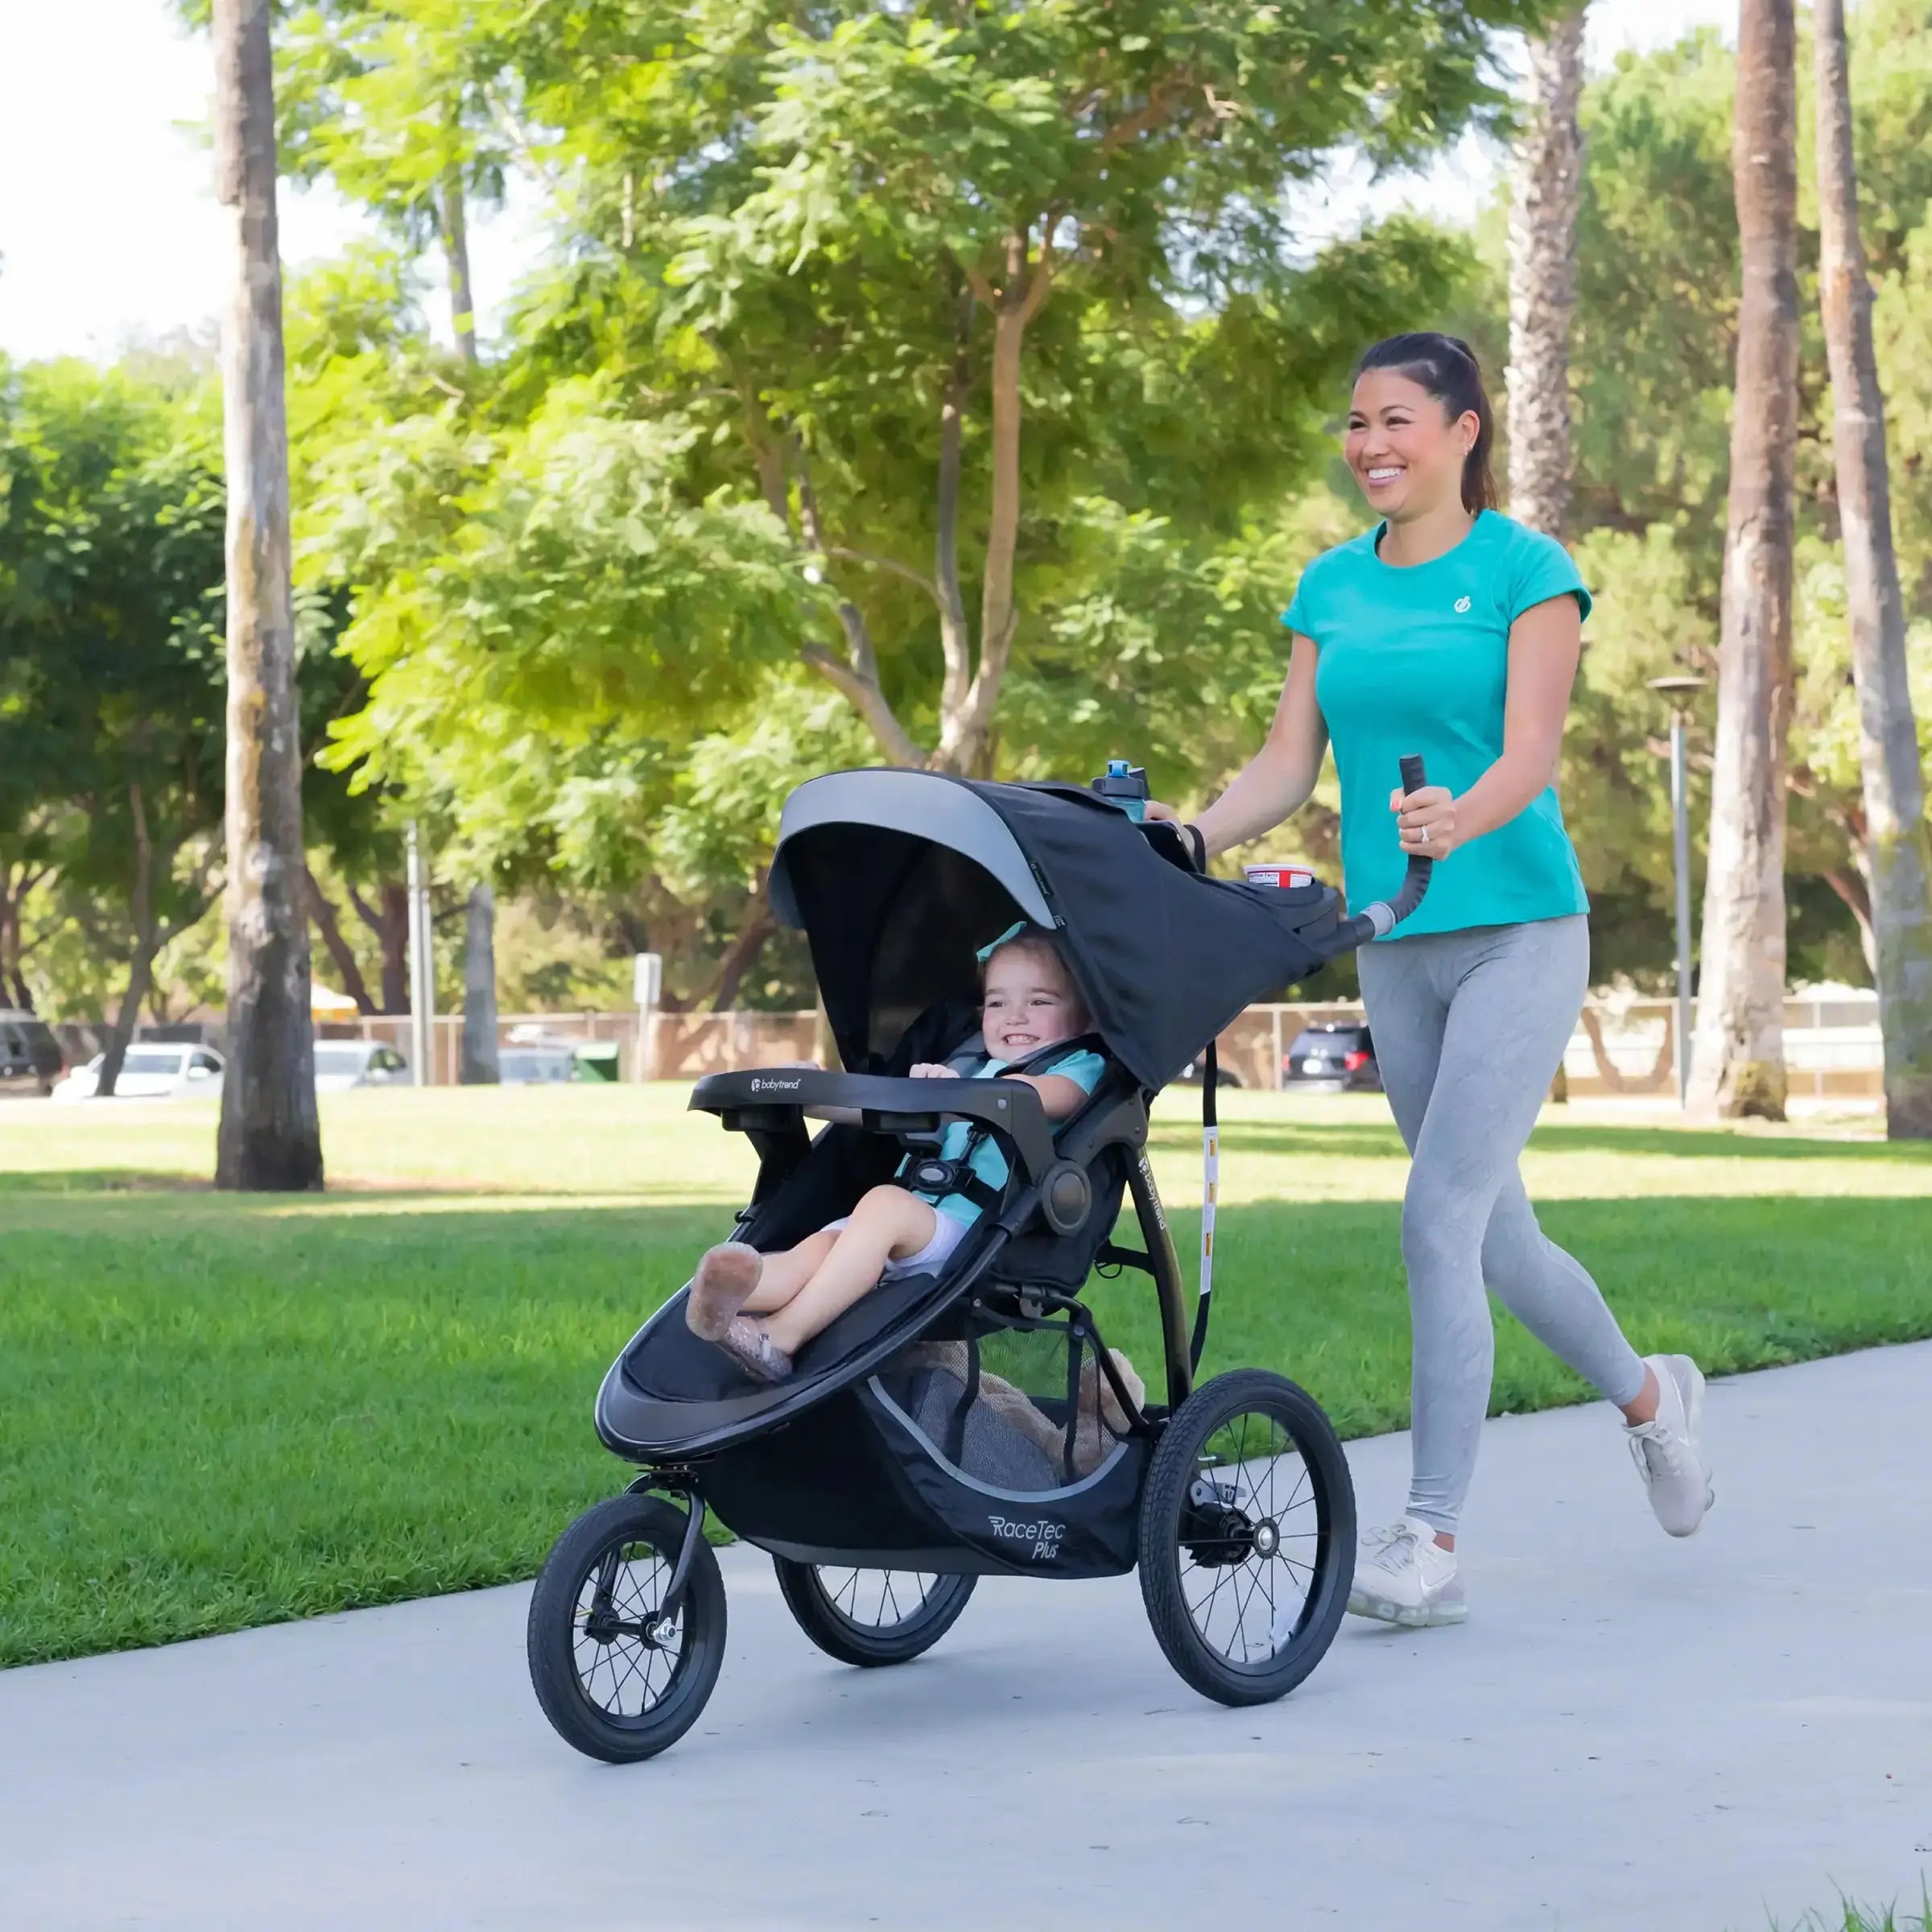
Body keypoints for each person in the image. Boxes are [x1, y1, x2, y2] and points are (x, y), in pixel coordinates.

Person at [1147, 331, 1713, 1629]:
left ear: (1464, 431)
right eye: (1357, 423)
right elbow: (1289, 763)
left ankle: (1430, 1537)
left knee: (1437, 1217)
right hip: (1394, 940)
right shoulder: (1331, 588)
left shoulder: (1526, 571)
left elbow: (1531, 753)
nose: (1370, 444)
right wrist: (1191, 837)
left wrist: (1460, 817)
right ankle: (1651, 1401)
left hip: (1520, 929)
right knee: (1497, 1237)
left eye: (1396, 418)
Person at [684, 923, 1106, 1384]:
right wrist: (811, 1094)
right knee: (817, 1249)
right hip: (901, 1229)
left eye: (1039, 1002)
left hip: (972, 1237)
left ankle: (781, 1338)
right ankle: (730, 1292)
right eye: (997, 1003)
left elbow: (1038, 1096)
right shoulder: (970, 1067)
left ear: (1085, 1017)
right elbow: (880, 1112)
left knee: (884, 1203)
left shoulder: (1080, 1067)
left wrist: (959, 1091)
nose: (1015, 1017)